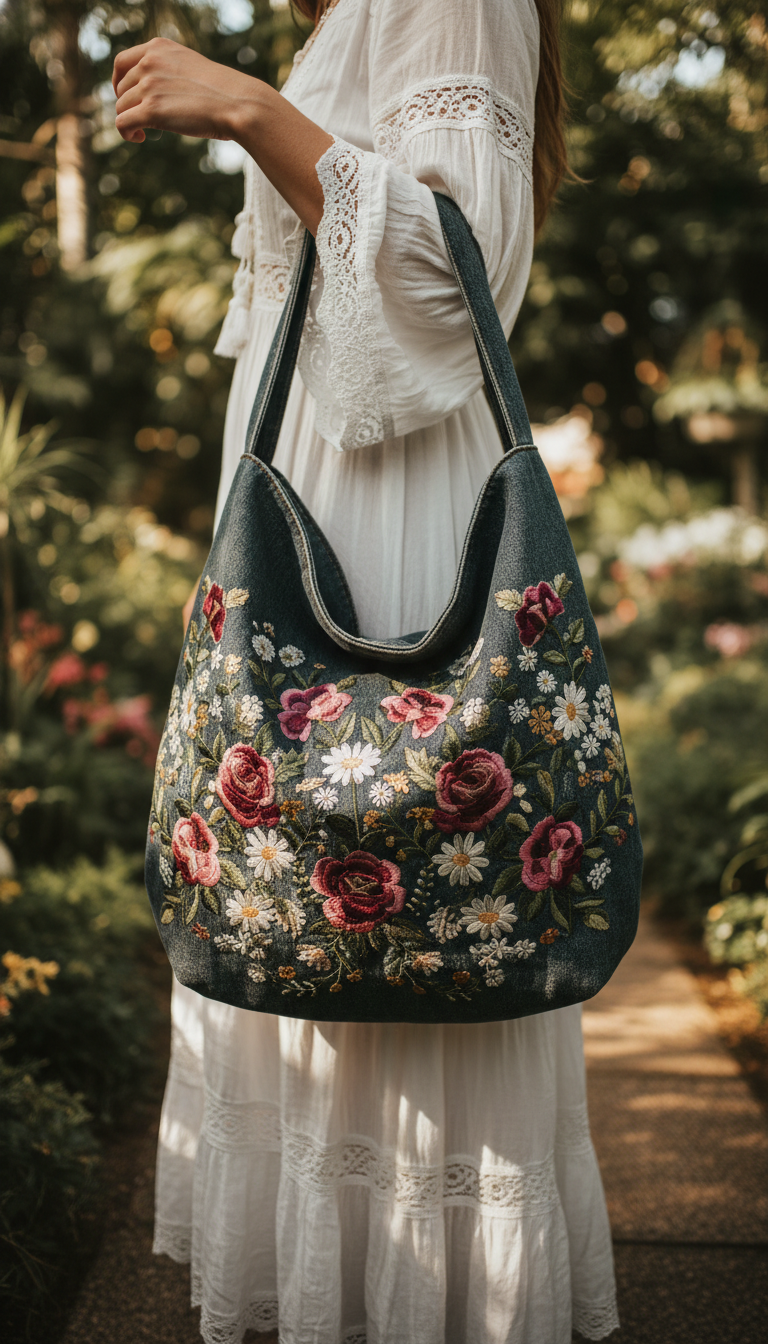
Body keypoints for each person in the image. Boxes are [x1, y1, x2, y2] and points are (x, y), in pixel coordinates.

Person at [113, 3, 619, 1341]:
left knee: (398, 879)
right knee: (311, 914)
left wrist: (246, 105)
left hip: (393, 515)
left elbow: (457, 276)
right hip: (321, 499)